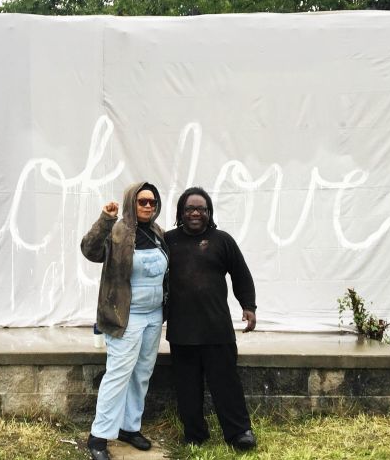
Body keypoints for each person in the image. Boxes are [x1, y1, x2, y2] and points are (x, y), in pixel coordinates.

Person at [80, 181, 169, 460]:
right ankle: (98, 437)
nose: (147, 206)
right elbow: (90, 250)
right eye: (142, 201)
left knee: (142, 374)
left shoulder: (158, 233)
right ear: (131, 202)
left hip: (154, 316)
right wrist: (105, 220)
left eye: (152, 202)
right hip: (125, 318)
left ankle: (130, 428)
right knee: (118, 375)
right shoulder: (117, 232)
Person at [165, 186, 258, 451]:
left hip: (217, 328)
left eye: (201, 209)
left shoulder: (222, 240)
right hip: (182, 330)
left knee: (226, 383)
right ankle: (195, 434)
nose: (195, 213)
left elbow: (241, 274)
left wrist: (248, 306)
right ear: (181, 213)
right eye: (189, 209)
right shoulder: (168, 241)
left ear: (209, 212)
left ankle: (239, 432)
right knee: (187, 387)